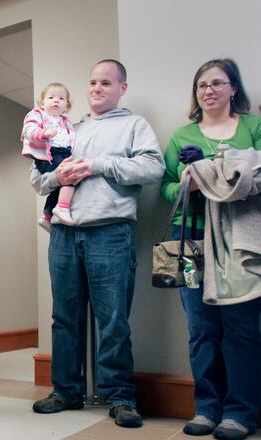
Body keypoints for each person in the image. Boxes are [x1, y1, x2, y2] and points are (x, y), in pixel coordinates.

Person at [30, 59, 164, 428]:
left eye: (106, 82)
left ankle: (120, 396)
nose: (96, 88)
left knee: (113, 320)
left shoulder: (134, 125)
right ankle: (66, 391)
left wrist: (99, 165)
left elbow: (154, 168)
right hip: (63, 233)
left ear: (122, 87)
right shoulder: (64, 128)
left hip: (110, 232)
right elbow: (37, 179)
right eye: (92, 82)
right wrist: (59, 174)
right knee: (63, 317)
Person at [161, 58, 261, 440]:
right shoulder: (182, 135)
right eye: (202, 85)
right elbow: (168, 189)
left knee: (242, 329)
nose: (209, 91)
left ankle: (240, 412)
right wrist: (189, 181)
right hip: (192, 241)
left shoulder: (253, 127)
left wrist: (212, 170)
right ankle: (206, 408)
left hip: (240, 242)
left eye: (218, 83)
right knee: (201, 328)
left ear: (233, 88)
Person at [21, 83, 76, 230]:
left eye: (61, 98)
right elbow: (28, 130)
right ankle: (62, 207)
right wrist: (42, 134)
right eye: (51, 97)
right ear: (42, 103)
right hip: (46, 155)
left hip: (63, 153)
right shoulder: (38, 114)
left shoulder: (66, 122)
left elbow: (72, 139)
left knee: (60, 185)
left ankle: (46, 216)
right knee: (69, 174)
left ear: (67, 105)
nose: (56, 101)